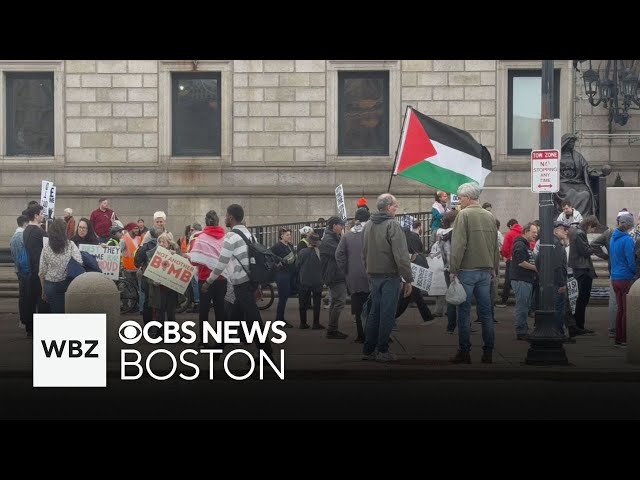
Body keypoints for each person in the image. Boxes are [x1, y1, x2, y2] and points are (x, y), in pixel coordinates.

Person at [449, 182, 500, 365]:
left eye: (461, 197)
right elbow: (495, 246)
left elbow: (458, 245)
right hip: (485, 271)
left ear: (468, 198)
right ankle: (488, 353)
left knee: (464, 312)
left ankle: (464, 351)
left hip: (467, 270)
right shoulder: (489, 216)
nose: (459, 200)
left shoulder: (464, 215)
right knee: (486, 313)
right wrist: (494, 267)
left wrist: (453, 269)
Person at [361, 194, 414, 362]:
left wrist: (368, 270)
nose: (396, 209)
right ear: (388, 207)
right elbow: (401, 255)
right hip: (390, 275)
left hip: (373, 274)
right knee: (387, 314)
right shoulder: (392, 225)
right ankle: (382, 350)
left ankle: (369, 349)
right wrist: (407, 278)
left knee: (374, 312)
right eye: (394, 206)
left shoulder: (368, 225)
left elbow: (364, 252)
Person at [189, 210, 228, 347]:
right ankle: (222, 340)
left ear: (206, 222)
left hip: (204, 278)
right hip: (222, 278)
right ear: (218, 222)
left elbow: (194, 261)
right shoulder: (225, 238)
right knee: (220, 309)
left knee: (204, 310)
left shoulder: (201, 238)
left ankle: (204, 341)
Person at [554, 133, 611, 218]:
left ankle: (582, 218)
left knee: (585, 194)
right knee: (570, 192)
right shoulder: (557, 155)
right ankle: (565, 217)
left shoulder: (577, 156)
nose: (572, 144)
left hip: (576, 181)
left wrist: (598, 174)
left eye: (573, 142)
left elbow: (586, 168)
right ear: (565, 142)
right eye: (570, 142)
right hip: (562, 181)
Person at [335, 207, 371, 342]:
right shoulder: (371, 233)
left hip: (353, 276)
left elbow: (339, 255)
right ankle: (372, 334)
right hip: (371, 274)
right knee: (372, 305)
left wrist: (346, 270)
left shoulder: (347, 235)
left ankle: (361, 335)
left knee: (358, 306)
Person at [39, 219, 83, 313]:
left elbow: (42, 270)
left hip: (50, 284)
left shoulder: (46, 247)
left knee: (55, 311)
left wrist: (43, 290)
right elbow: (79, 262)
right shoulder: (70, 245)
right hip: (67, 282)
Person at [609, 213, 637, 347]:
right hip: (625, 277)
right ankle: (624, 338)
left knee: (620, 309)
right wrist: (634, 273)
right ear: (627, 225)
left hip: (615, 277)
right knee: (626, 310)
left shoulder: (613, 238)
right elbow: (630, 260)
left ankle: (618, 338)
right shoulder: (627, 240)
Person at [296, 233, 324, 330]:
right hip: (317, 280)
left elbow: (297, 265)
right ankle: (316, 323)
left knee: (302, 303)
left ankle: (303, 323)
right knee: (317, 303)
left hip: (304, 280)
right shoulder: (320, 252)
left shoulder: (303, 252)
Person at [271, 228, 296, 329]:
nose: (289, 236)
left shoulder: (289, 245)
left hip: (289, 274)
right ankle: (279, 320)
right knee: (282, 298)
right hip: (281, 275)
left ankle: (280, 319)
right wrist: (277, 264)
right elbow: (269, 255)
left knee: (284, 297)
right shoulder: (277, 246)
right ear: (281, 236)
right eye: (287, 235)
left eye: (290, 234)